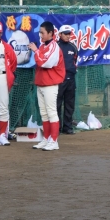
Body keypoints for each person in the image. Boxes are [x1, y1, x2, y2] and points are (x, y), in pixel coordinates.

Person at [29, 21, 65, 151]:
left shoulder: (54, 46)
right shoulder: (43, 46)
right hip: (41, 83)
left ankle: (54, 141)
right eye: (40, 32)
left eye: (42, 32)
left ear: (50, 33)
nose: (40, 35)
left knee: (51, 112)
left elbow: (45, 63)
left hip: (50, 84)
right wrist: (37, 51)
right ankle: (47, 138)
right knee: (44, 114)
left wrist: (35, 51)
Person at [56, 25, 78, 135]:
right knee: (57, 104)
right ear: (60, 34)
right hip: (59, 80)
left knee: (70, 104)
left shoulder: (73, 47)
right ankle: (57, 127)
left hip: (71, 79)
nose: (68, 36)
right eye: (65, 34)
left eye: (69, 34)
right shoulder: (56, 46)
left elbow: (75, 61)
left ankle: (67, 127)